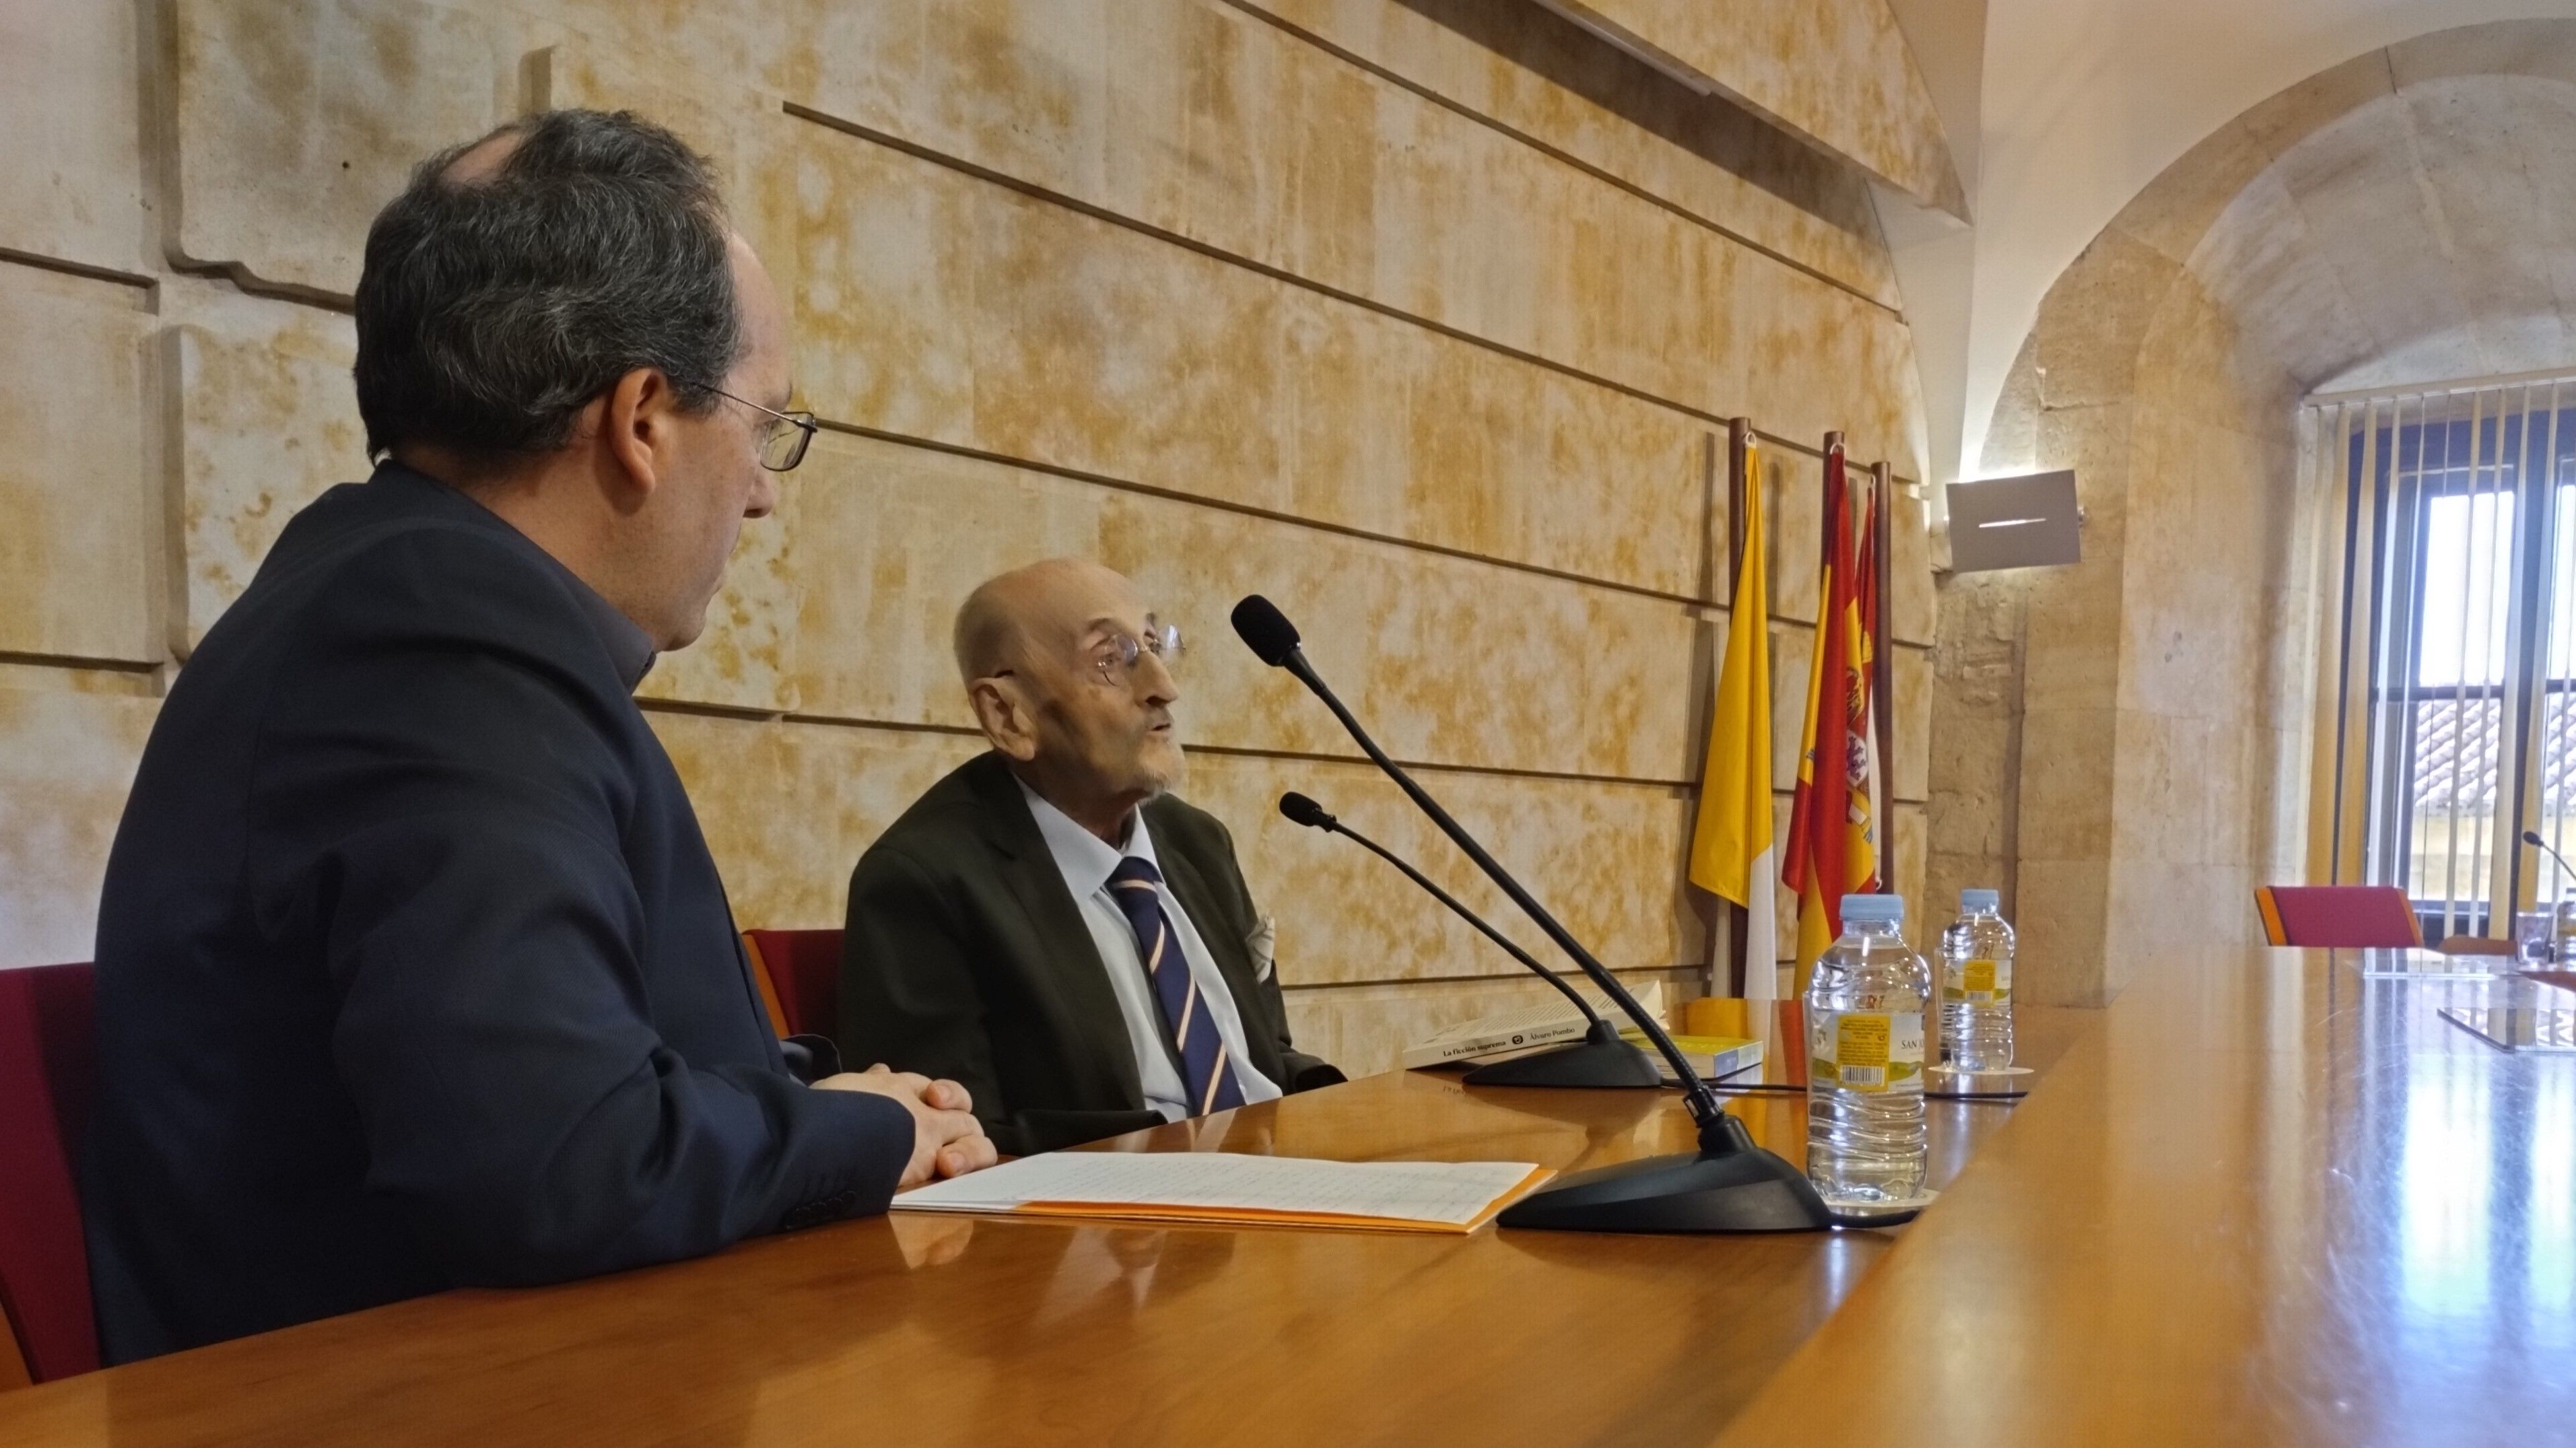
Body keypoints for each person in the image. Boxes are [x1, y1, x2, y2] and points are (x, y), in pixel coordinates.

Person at [81, 110, 992, 1365]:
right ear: (641, 419)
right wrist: (870, 1134)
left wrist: (811, 1102)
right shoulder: (438, 634)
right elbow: (557, 1163)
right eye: (764, 424)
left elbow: (562, 1074)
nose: (767, 487)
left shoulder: (400, 594)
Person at [838, 560, 1343, 1157]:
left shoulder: (1197, 843)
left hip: (1283, 1183)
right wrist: (1169, 1152)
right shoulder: (925, 881)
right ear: (1008, 713)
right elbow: (953, 1148)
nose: (1164, 686)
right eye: (1114, 657)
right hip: (1123, 1231)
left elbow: (1260, 1057)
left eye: (1155, 645)